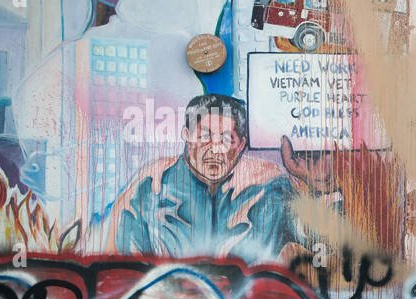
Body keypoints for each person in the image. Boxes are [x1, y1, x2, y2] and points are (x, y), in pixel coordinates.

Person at [109, 94, 295, 264]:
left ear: (241, 146)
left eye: (227, 139)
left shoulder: (269, 185)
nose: (215, 149)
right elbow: (124, 261)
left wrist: (309, 183)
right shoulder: (152, 184)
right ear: (186, 136)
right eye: (205, 136)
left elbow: (313, 234)